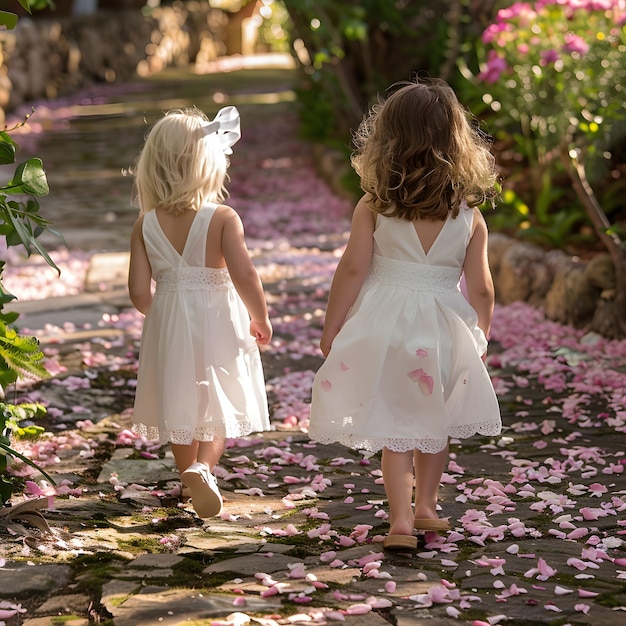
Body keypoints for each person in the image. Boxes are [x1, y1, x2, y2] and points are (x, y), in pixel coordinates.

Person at [308, 77, 502, 551]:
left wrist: (333, 325)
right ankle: (428, 508)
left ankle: (398, 522)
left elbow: (352, 268)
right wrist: (479, 335)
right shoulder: (469, 216)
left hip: (386, 327)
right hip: (443, 329)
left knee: (396, 426)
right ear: (458, 143)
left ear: (387, 143)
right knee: (432, 421)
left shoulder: (374, 207)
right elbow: (482, 286)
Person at [128, 106, 273, 519]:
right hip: (218, 320)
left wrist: (162, 317)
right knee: (218, 398)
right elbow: (244, 274)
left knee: (180, 401)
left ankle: (186, 475)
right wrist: (259, 316)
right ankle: (203, 468)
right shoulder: (222, 218)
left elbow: (139, 291)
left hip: (170, 319)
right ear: (210, 163)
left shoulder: (145, 224)